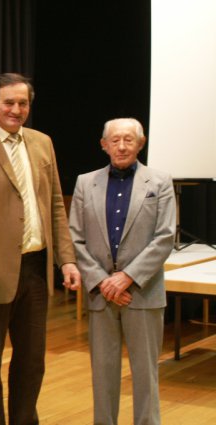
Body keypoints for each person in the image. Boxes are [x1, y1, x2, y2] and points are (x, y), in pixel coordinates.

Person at [0, 72, 81, 425]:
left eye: (23, 103)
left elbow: (55, 204)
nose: (16, 109)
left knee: (32, 361)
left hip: (36, 270)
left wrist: (67, 259)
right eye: (9, 102)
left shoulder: (42, 143)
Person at [68, 118, 175, 425]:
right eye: (115, 140)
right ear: (104, 145)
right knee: (102, 372)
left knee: (145, 372)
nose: (122, 146)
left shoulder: (160, 182)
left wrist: (127, 277)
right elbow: (75, 238)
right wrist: (103, 281)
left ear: (140, 144)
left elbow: (165, 237)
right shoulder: (85, 182)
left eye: (129, 140)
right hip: (101, 293)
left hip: (143, 290)